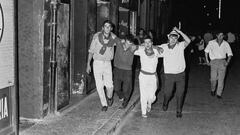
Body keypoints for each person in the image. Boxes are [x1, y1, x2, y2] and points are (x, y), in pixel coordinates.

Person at [86, 20, 120, 112]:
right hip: (97, 62)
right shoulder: (96, 37)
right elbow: (91, 51)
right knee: (99, 85)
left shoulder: (114, 38)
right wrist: (88, 64)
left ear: (111, 28)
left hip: (108, 63)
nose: (107, 28)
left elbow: (122, 45)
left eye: (109, 26)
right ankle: (104, 104)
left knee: (110, 85)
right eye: (105, 26)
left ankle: (109, 97)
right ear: (102, 28)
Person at [158, 27, 191, 118]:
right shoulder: (163, 46)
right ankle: (165, 102)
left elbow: (188, 40)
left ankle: (179, 110)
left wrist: (179, 31)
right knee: (168, 93)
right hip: (169, 75)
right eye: (172, 37)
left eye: (175, 38)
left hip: (181, 75)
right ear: (168, 38)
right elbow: (155, 51)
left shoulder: (180, 46)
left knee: (180, 93)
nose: (173, 39)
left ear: (177, 39)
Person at [134, 36, 163, 118]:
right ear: (143, 43)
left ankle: (149, 102)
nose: (147, 44)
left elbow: (165, 50)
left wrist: (157, 47)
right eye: (145, 42)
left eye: (149, 42)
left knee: (152, 96)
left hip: (153, 76)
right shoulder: (140, 51)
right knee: (143, 94)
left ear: (152, 43)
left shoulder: (156, 51)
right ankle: (143, 112)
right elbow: (131, 48)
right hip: (143, 76)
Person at [204, 31, 233, 99]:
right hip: (213, 62)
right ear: (216, 35)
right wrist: (207, 60)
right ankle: (213, 89)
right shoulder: (211, 42)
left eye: (222, 35)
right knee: (213, 79)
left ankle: (219, 93)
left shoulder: (226, 44)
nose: (221, 37)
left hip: (222, 61)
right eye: (219, 35)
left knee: (221, 79)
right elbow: (206, 51)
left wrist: (227, 62)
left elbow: (230, 54)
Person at [113, 34, 137, 109]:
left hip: (127, 71)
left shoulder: (133, 47)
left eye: (130, 43)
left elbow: (145, 47)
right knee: (116, 88)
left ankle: (125, 102)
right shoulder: (119, 42)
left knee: (127, 89)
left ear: (132, 43)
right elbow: (112, 35)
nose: (127, 45)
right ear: (124, 40)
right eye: (127, 42)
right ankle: (121, 96)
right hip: (117, 69)